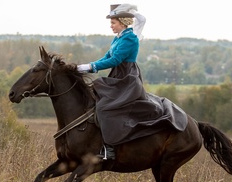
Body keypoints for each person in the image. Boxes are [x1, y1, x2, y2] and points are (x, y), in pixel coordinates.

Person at [77, 4, 188, 161]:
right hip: (117, 76)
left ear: (122, 22)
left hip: (127, 78)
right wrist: (87, 67)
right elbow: (106, 57)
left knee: (104, 107)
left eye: (113, 23)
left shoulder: (129, 38)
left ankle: (110, 148)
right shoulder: (118, 38)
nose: (111, 26)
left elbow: (116, 60)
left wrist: (90, 66)